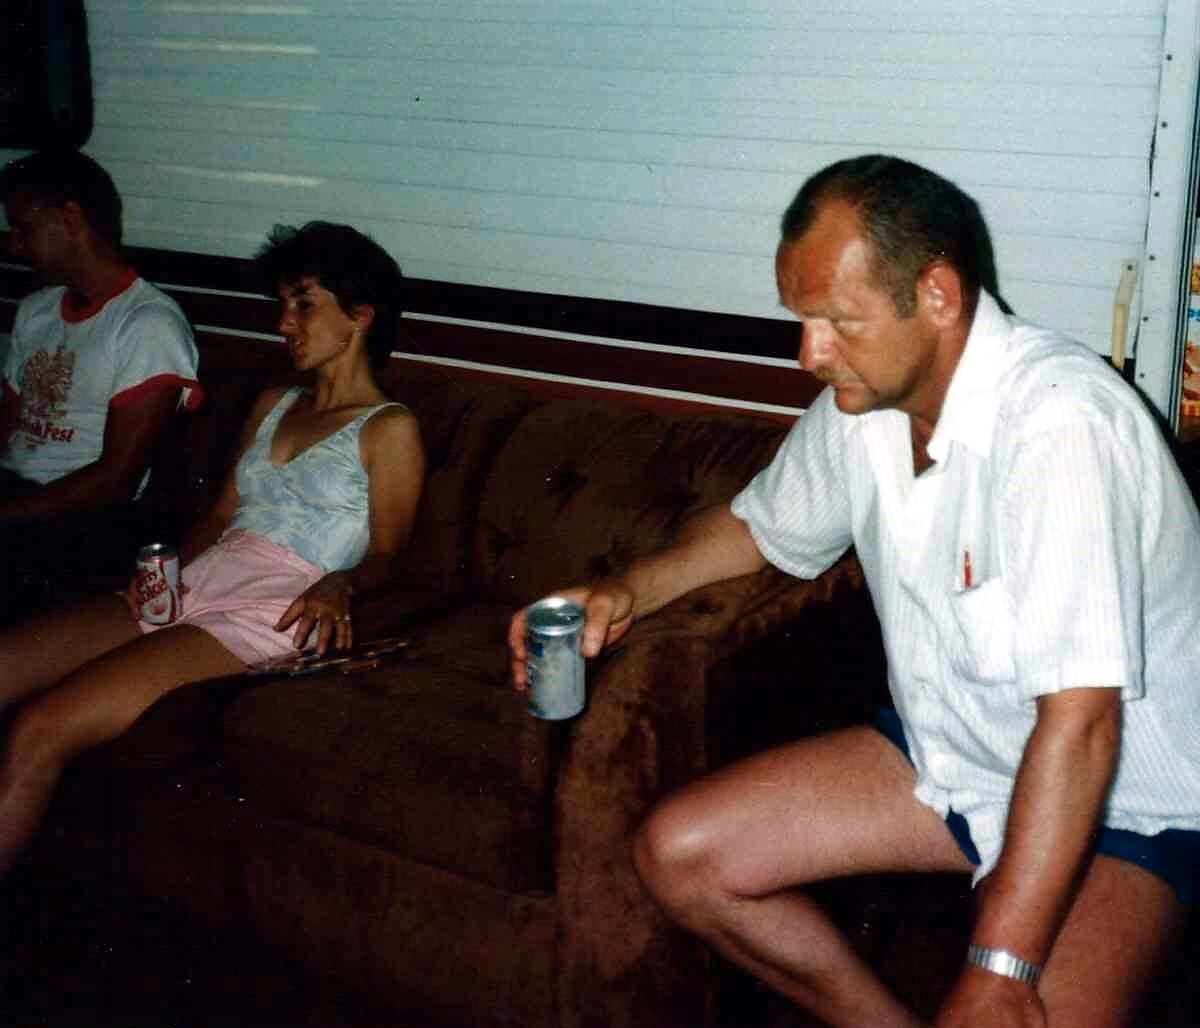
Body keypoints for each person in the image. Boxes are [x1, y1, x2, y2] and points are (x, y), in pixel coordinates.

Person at [508, 155, 1200, 1028]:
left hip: (1125, 797)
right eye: (802, 321)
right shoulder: (863, 408)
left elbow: (1084, 724)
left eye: (837, 320)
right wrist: (624, 591)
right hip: (953, 755)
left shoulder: (1062, 426)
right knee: (679, 856)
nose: (810, 354)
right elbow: (756, 528)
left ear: (938, 295)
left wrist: (999, 968)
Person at [0, 220, 424, 873]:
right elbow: (223, 513)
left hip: (275, 608)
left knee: (42, 727)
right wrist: (166, 569)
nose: (284, 323)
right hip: (203, 577)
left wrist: (342, 582)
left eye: (303, 304)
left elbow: (390, 554)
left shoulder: (389, 428)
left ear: (360, 317)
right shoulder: (275, 401)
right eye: (281, 304)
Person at [0, 149, 203, 620]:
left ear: (71, 218)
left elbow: (115, 481)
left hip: (85, 518)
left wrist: (6, 514)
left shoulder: (147, 324)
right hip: (16, 494)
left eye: (24, 229)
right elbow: (7, 424)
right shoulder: (36, 310)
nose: (14, 246)